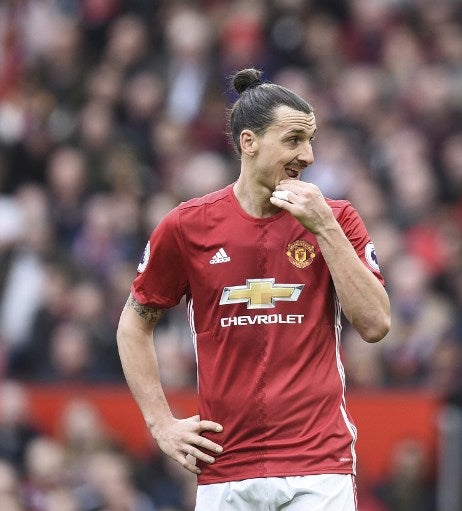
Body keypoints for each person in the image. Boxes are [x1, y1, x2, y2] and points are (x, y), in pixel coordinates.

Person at [116, 68, 391, 510]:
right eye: (294, 140)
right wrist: (161, 423)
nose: (308, 155)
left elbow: (376, 324)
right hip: (225, 468)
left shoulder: (336, 218)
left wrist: (324, 228)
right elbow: (134, 325)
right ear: (249, 142)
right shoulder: (188, 226)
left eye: (311, 140)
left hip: (318, 466)